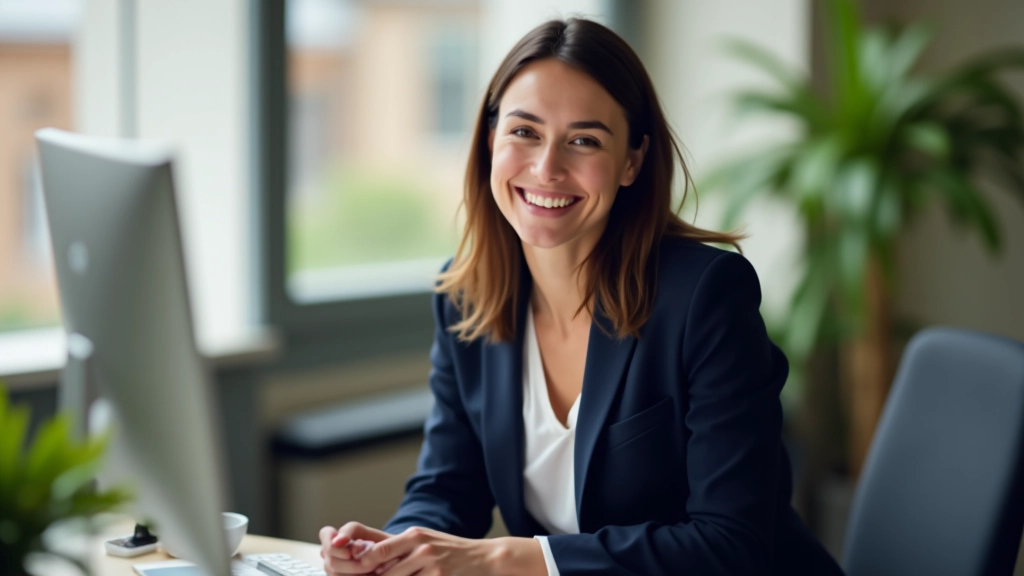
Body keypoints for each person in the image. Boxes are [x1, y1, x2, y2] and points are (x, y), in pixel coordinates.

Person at [318, 17, 844, 576]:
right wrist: (391, 549)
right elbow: (448, 489)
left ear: (632, 162)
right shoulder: (465, 299)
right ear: (490, 139)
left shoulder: (705, 297)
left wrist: (508, 557)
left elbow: (728, 545)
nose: (547, 168)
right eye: (524, 132)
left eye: (584, 140)